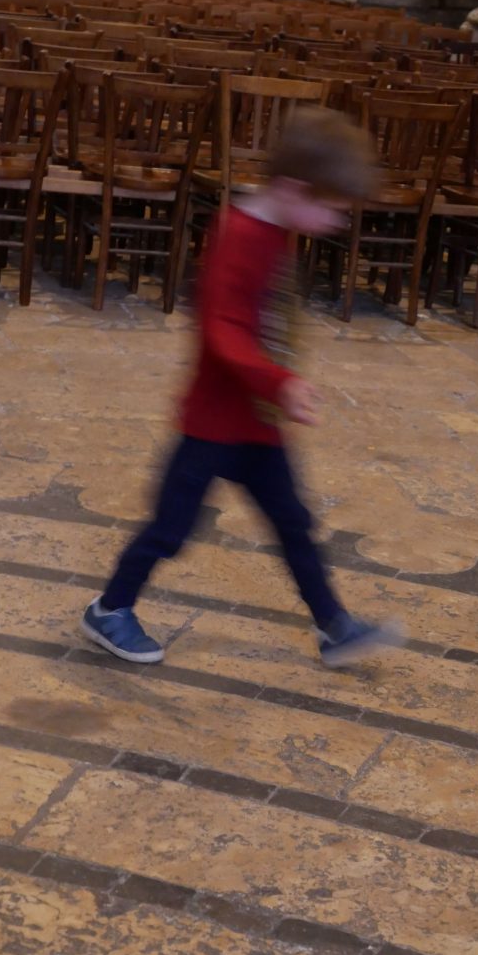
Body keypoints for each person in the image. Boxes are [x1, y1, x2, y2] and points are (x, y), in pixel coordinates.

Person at [81, 106, 403, 666]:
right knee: (170, 530)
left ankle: (334, 627)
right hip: (212, 422)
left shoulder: (277, 228)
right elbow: (222, 329)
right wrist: (279, 381)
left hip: (258, 421)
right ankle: (109, 611)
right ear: (294, 188)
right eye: (331, 208)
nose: (337, 222)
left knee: (293, 523)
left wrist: (276, 390)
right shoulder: (239, 235)